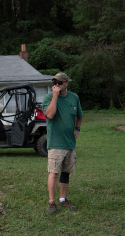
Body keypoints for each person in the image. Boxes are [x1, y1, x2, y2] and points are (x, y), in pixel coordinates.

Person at [42, 72, 83, 214]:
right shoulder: (48, 98)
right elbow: (50, 115)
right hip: (55, 143)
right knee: (53, 173)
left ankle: (63, 199)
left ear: (66, 83)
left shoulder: (74, 97)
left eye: (59, 82)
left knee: (66, 172)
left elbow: (80, 115)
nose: (57, 85)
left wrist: (77, 128)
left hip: (70, 143)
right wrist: (55, 97)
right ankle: (51, 202)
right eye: (55, 82)